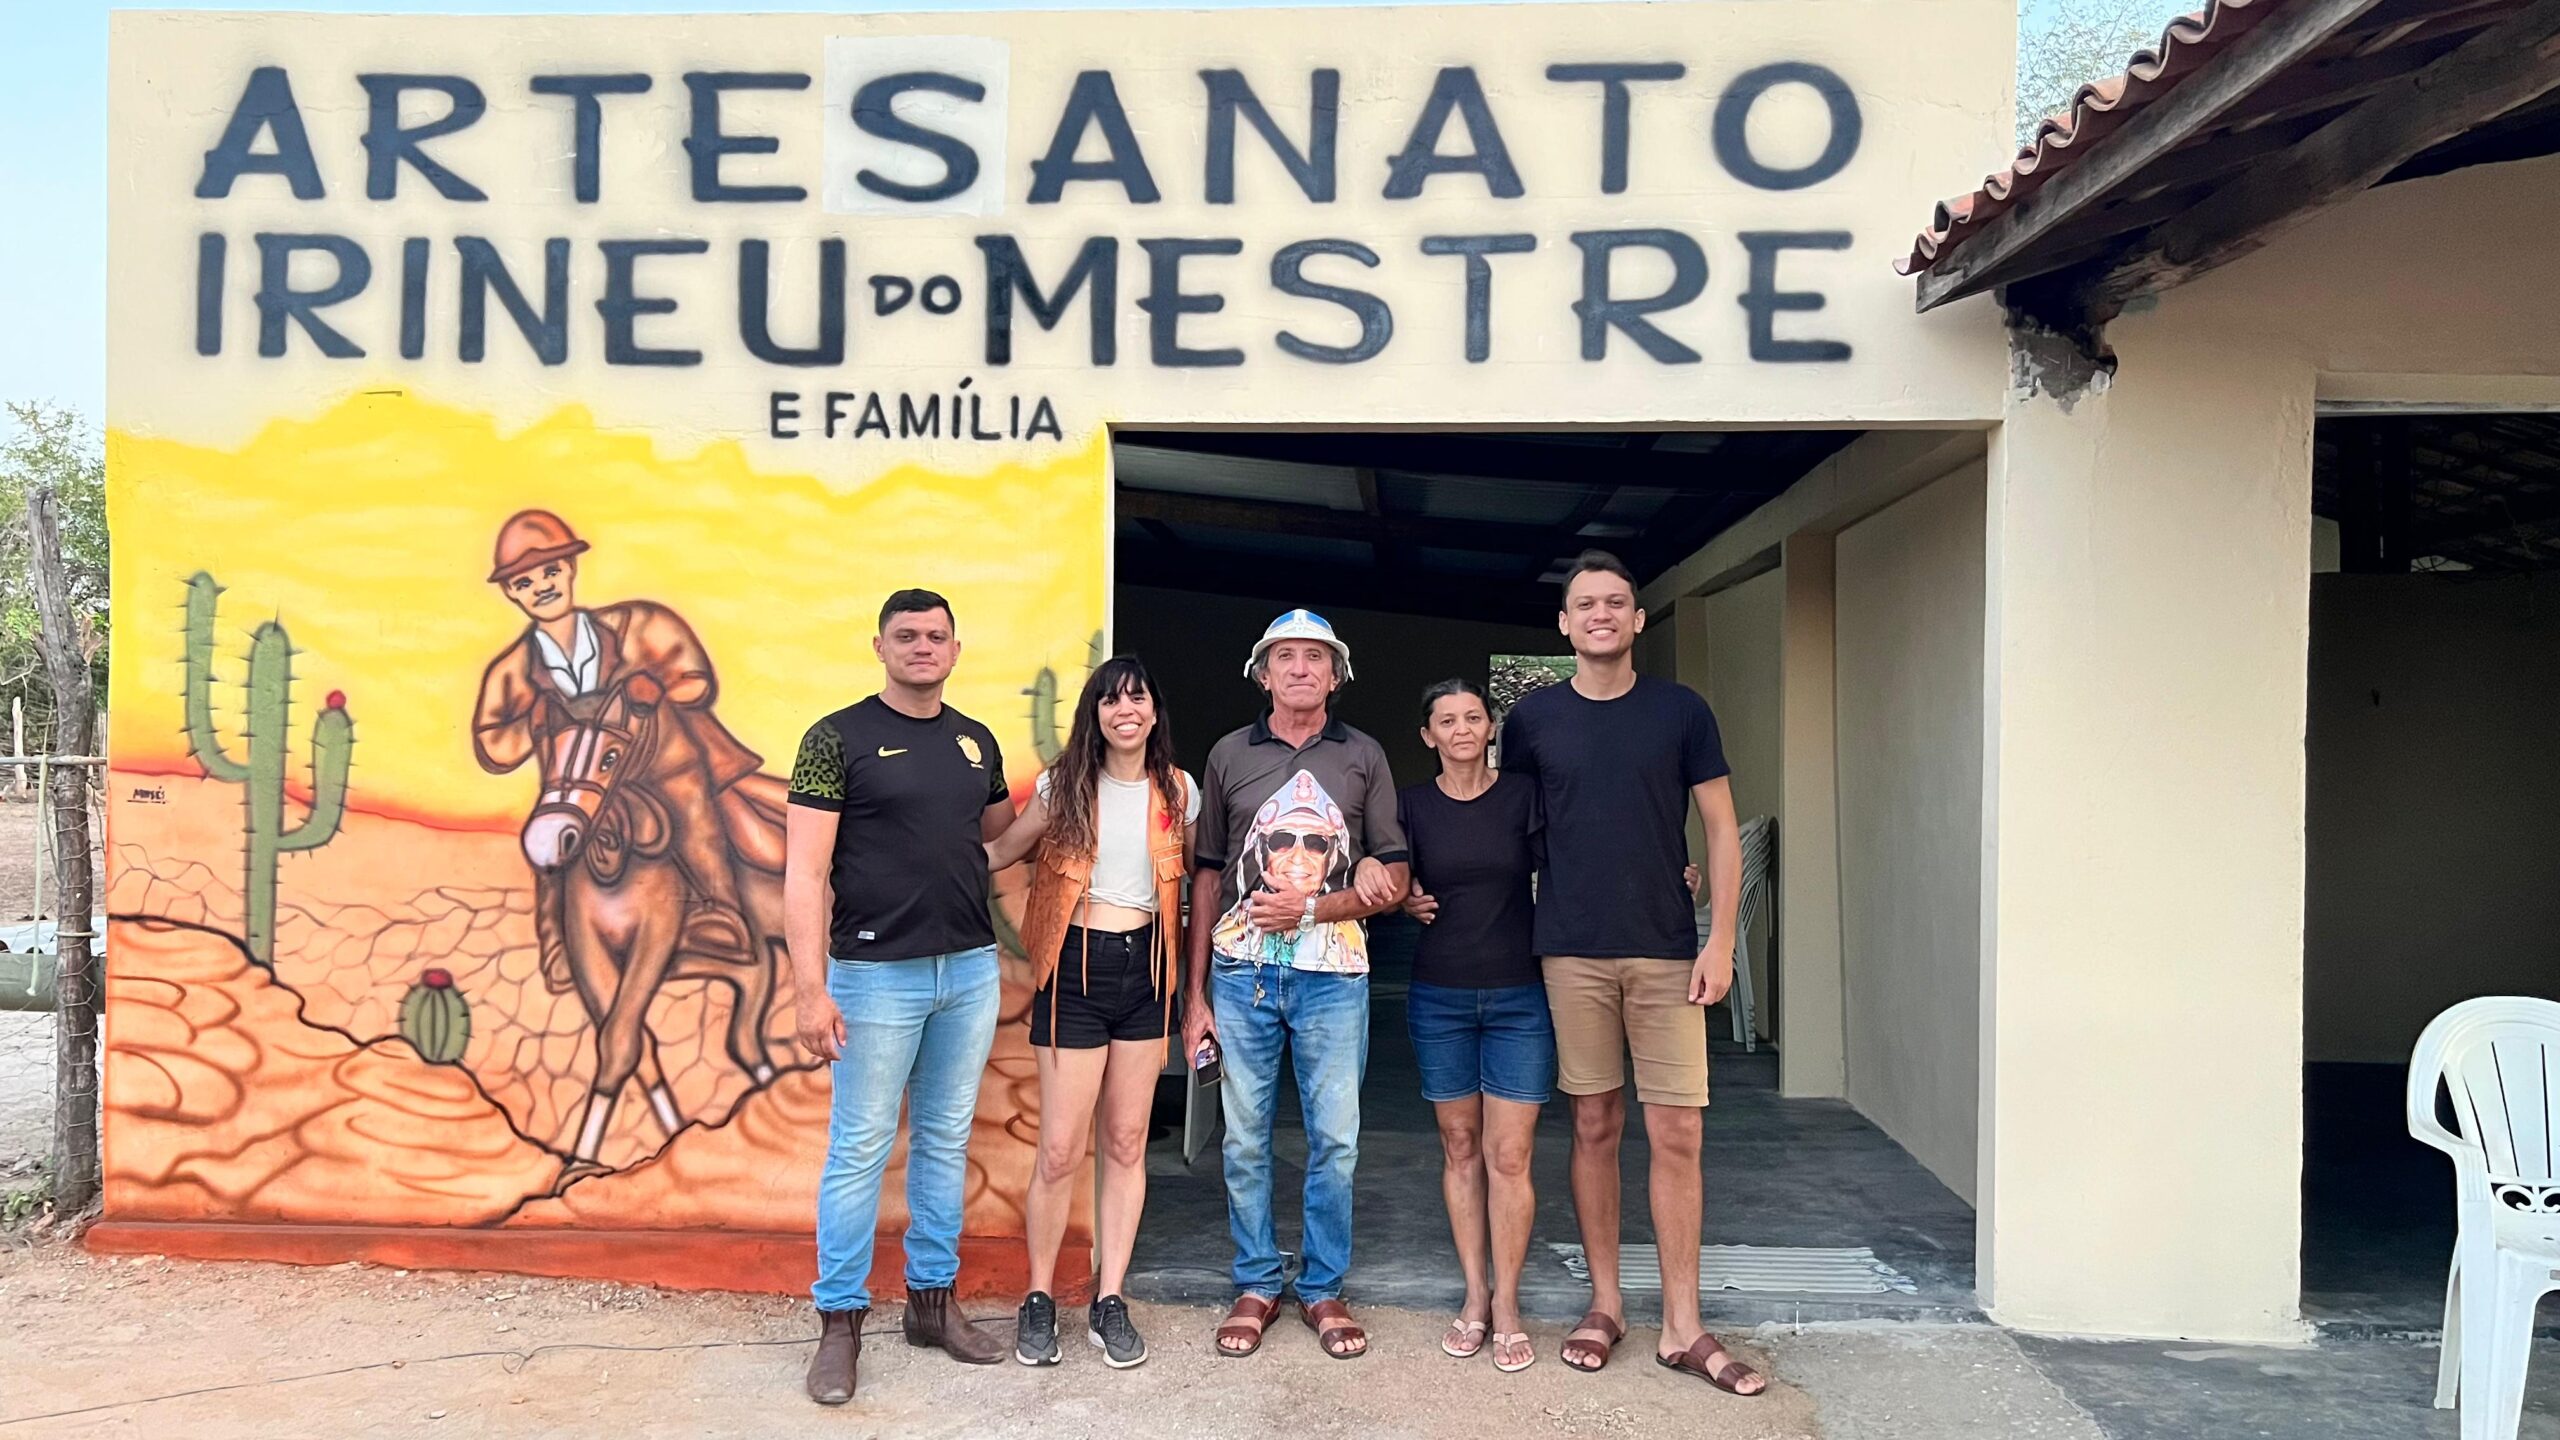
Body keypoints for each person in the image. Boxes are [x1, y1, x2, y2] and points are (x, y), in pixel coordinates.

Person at [1497, 551, 1765, 1398]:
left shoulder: (1681, 712)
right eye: (1586, 604)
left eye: (1617, 602)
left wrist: (1719, 941)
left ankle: (1683, 1325)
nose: (1602, 614)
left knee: (1679, 1130)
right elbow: (1509, 829)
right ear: (1564, 624)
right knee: (1594, 1124)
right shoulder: (1532, 720)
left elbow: (1719, 829)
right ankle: (1606, 1304)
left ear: (1639, 619)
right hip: (1571, 948)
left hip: (1665, 949)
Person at [784, 588, 1019, 1406]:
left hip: (969, 970)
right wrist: (809, 990)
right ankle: (839, 1323)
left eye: (936, 636)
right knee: (859, 1148)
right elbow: (805, 872)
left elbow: (996, 843)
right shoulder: (835, 739)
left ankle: (932, 1304)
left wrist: (1070, 796)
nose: (923, 647)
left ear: (955, 649)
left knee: (945, 1142)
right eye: (907, 635)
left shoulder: (975, 741)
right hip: (875, 975)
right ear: (879, 646)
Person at [1181, 610, 1408, 1362]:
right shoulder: (1228, 754)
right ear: (1263, 674)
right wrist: (1194, 994)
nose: (1301, 668)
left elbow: (1394, 872)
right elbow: (1206, 874)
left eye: (1316, 657)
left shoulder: (1364, 755)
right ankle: (1255, 1282)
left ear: (1336, 675)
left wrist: (1321, 902)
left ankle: (1321, 1287)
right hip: (1240, 972)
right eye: (1286, 657)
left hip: (1334, 975)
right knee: (1244, 1137)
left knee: (1335, 1140)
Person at [471, 510, 789, 1001]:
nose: (542, 586)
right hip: (580, 777)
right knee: (552, 830)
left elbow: (696, 680)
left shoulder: (638, 623)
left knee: (689, 801)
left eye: (551, 571)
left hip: (656, 763)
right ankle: (559, 947)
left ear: (570, 570)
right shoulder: (514, 668)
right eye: (525, 582)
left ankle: (718, 911)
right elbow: (493, 743)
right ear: (512, 592)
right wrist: (533, 722)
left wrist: (655, 691)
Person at [985, 657, 1199, 1370]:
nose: (1125, 711)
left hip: (1148, 972)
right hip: (1074, 969)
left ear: (1154, 711)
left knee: (1128, 1143)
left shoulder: (1180, 790)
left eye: (1137, 698)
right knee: (1058, 1149)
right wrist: (914, 860)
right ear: (1094, 714)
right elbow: (1003, 851)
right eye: (1111, 701)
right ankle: (1039, 1297)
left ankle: (1111, 1299)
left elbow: (1200, 882)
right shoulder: (1064, 785)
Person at [1397, 678, 1549, 1375]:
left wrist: (1672, 873)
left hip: (1521, 995)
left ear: (1491, 728)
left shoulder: (1522, 796)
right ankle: (1475, 1296)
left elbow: (1575, 862)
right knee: (1460, 1147)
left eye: (1473, 717)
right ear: (1427, 735)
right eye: (1446, 720)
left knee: (1509, 1155)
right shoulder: (1412, 806)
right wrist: (1401, 896)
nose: (1461, 729)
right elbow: (1382, 872)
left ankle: (1509, 1305)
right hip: (1440, 996)